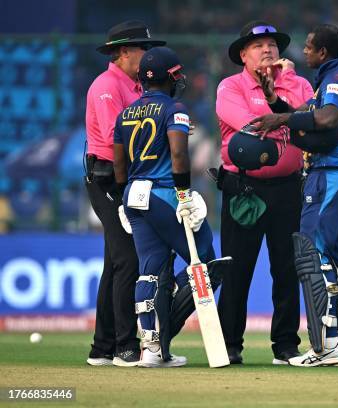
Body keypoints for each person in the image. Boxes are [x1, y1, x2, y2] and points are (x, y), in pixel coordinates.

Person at [251, 24, 338, 367]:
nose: (304, 52)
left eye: (309, 46)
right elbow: (313, 127)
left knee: (315, 256)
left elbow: (326, 121)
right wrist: (276, 105)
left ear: (323, 52)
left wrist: (282, 118)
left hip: (331, 177)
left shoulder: (336, 81)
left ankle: (325, 346)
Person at [215, 21, 313, 365]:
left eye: (272, 44)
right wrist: (286, 119)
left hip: (288, 188)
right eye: (258, 46)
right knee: (236, 269)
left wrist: (281, 95)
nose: (267, 49)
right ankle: (229, 344)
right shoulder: (230, 86)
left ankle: (286, 345)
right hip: (244, 188)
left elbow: (313, 120)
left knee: (287, 269)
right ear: (243, 54)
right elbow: (249, 126)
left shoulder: (298, 84)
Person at [113, 46, 215, 367]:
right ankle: (167, 321)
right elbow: (180, 156)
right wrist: (184, 194)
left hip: (133, 195)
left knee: (150, 270)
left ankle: (152, 350)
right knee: (207, 262)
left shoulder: (124, 113)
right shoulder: (176, 109)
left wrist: (123, 197)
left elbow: (118, 165)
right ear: (171, 77)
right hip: (164, 194)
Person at [84, 20, 165, 367]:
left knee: (114, 263)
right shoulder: (106, 86)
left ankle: (101, 348)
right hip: (107, 179)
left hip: (125, 178)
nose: (148, 56)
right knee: (128, 260)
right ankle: (124, 346)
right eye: (143, 49)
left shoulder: (134, 86)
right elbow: (117, 135)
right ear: (123, 53)